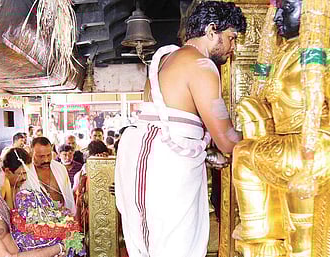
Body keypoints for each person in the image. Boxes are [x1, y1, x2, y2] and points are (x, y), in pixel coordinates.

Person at [114, 1, 246, 256]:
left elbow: (175, 126)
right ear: (211, 31)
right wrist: (266, 138)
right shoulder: (201, 65)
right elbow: (227, 140)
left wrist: (205, 155)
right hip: (164, 169)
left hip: (148, 161)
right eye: (231, 38)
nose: (233, 48)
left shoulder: (168, 58)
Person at [232, 0, 330, 255]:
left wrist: (311, 157)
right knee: (242, 152)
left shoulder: (321, 51)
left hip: (316, 145)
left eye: (285, 9)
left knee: (302, 237)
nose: (277, 19)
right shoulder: (285, 52)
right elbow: (263, 98)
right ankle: (258, 237)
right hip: (288, 142)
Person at [20, 137, 75, 214]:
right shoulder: (25, 172)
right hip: (37, 222)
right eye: (41, 156)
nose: (46, 160)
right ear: (32, 152)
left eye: (49, 155)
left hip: (64, 218)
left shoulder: (60, 168)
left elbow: (69, 195)